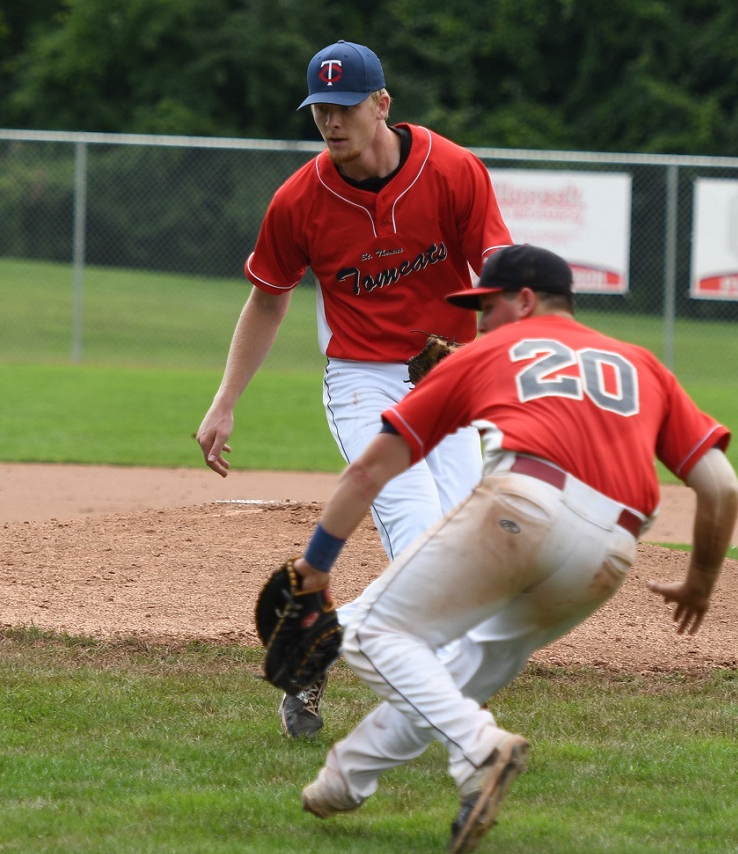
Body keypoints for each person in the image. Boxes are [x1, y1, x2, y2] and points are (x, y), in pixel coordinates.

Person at [289, 244, 737, 854]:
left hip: (523, 505)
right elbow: (721, 487)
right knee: (455, 673)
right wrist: (701, 584)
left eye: (488, 307)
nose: (478, 324)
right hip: (610, 552)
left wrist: (315, 564)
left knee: (367, 632)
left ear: (525, 300)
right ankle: (343, 780)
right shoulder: (642, 365)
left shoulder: (491, 352)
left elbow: (369, 471)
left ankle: (481, 748)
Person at [195, 40, 513, 739]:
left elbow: (494, 274)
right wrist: (225, 400)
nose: (331, 123)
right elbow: (267, 300)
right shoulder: (299, 200)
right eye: (319, 110)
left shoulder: (453, 171)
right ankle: (442, 700)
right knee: (415, 529)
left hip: (447, 375)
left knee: (458, 545)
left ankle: (312, 645)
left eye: (343, 108)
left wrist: (488, 359)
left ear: (381, 105)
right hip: (363, 377)